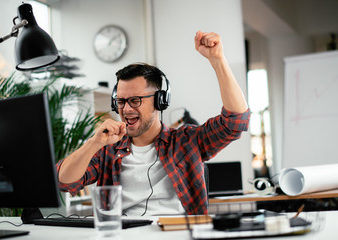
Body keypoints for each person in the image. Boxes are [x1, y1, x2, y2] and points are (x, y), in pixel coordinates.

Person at [56, 31, 250, 216]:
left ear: (159, 102)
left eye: (135, 100)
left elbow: (235, 122)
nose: (127, 109)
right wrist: (94, 143)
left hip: (176, 233)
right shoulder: (108, 149)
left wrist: (218, 61)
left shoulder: (187, 141)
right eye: (121, 102)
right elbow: (64, 182)